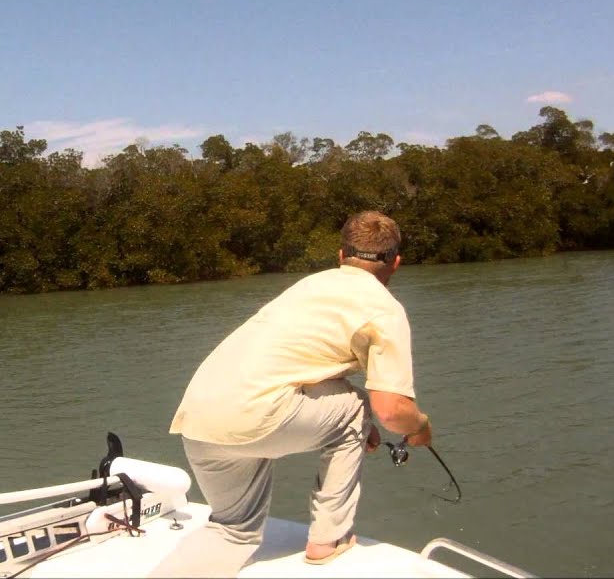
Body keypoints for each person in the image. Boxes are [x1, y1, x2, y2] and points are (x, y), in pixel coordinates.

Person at [150, 210, 433, 577]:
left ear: (341, 255)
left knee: (232, 531)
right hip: (257, 416)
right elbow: (392, 409)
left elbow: (297, 367)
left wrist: (363, 426)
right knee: (359, 406)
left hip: (197, 417)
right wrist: (419, 427)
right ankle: (328, 540)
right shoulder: (384, 309)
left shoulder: (309, 287)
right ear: (396, 263)